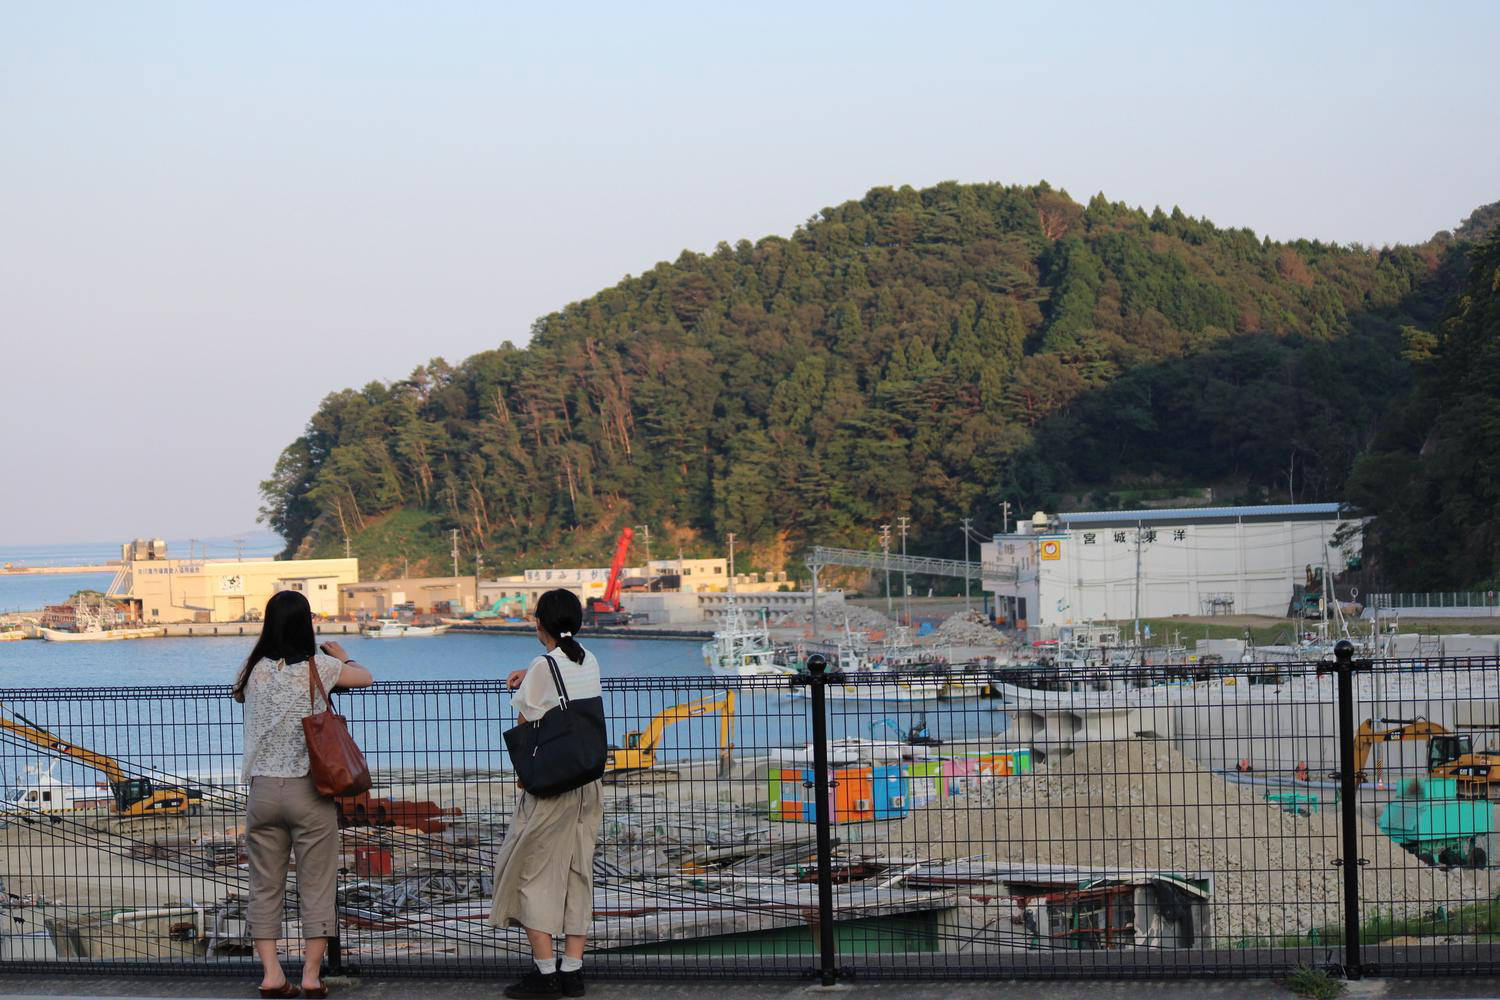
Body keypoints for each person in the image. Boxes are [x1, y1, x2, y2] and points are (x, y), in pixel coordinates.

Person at [232, 590, 373, 999]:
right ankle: (312, 976)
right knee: (316, 883)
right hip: (308, 791)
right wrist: (344, 657)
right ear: (306, 622)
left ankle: (272, 974)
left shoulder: (251, 668)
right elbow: (365, 677)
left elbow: (240, 695)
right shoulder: (321, 666)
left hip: (261, 790)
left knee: (264, 884)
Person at [490, 588, 604, 999]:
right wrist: (532, 671)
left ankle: (545, 973)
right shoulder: (588, 658)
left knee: (529, 874)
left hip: (553, 788)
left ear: (539, 623)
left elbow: (525, 724)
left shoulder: (542, 665)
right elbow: (563, 682)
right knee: (578, 872)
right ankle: (572, 970)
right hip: (588, 784)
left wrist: (523, 680)